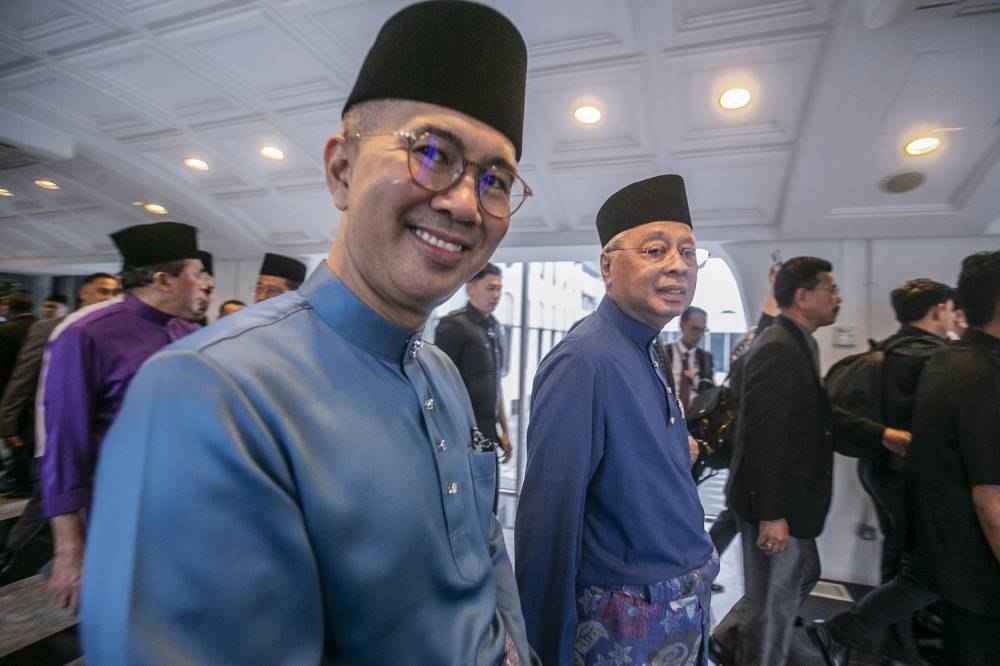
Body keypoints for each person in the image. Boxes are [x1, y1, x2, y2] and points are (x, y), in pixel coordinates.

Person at [81, 2, 536, 663]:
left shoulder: (437, 370)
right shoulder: (208, 394)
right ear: (341, 170)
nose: (466, 203)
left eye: (495, 180)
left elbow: (486, 548)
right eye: (431, 152)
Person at [516, 175, 717, 666]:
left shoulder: (648, 345)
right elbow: (548, 519)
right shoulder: (584, 359)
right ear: (608, 266)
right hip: (629, 618)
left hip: (680, 601)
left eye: (688, 253)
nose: (678, 265)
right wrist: (541, 646)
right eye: (655, 250)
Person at [710, 257, 910, 666]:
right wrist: (771, 514)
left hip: (791, 502)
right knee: (775, 604)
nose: (837, 298)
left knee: (799, 577)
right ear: (802, 296)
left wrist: (881, 435)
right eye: (830, 290)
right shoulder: (779, 348)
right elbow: (764, 436)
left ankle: (730, 636)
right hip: (775, 503)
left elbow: (818, 416)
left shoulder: (800, 342)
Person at [39, 222, 204, 612]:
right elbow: (64, 443)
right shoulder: (85, 335)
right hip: (120, 510)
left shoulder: (187, 332)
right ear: (165, 281)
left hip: (185, 508)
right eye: (197, 275)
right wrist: (69, 548)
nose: (203, 284)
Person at [805, 279, 956, 665]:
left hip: (879, 472)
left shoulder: (887, 355)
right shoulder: (940, 360)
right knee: (932, 571)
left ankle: (894, 647)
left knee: (897, 561)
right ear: (939, 309)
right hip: (920, 479)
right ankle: (845, 635)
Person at [902, 251, 1000, 665]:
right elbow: (989, 497)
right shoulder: (984, 373)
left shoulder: (948, 359)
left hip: (952, 560)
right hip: (979, 569)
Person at [0, 273, 119, 575]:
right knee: (43, 508)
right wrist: (8, 425)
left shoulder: (110, 330)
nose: (108, 297)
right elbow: (23, 378)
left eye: (114, 291)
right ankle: (10, 559)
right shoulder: (49, 328)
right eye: (102, 291)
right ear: (83, 292)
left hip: (87, 442)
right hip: (46, 436)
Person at [435, 262, 513, 493]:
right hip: (462, 435)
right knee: (470, 499)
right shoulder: (453, 325)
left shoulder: (494, 327)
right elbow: (441, 386)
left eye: (499, 289)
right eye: (490, 288)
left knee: (490, 500)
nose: (497, 295)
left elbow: (495, 384)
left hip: (489, 433)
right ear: (471, 288)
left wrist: (505, 430)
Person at [668, 306, 714, 413]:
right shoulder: (665, 352)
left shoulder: (706, 358)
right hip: (667, 413)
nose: (699, 335)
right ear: (681, 326)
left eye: (703, 330)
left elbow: (709, 389)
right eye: (695, 328)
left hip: (695, 416)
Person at [0, 290, 37, 395]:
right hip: (33, 389)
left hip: (9, 389)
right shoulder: (40, 327)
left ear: (8, 308)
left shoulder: (4, 330)